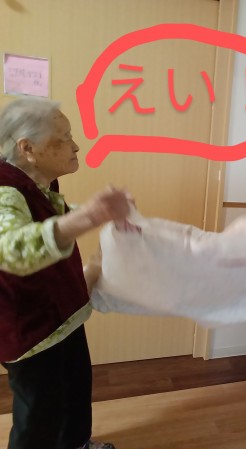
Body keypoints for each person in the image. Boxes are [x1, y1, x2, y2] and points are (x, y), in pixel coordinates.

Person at [0, 97, 134, 449]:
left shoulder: (39, 185)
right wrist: (89, 216)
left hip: (62, 318)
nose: (75, 146)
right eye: (64, 137)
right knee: (39, 417)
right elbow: (11, 250)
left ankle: (77, 444)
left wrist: (100, 214)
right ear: (28, 148)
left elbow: (46, 220)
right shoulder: (4, 190)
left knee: (75, 393)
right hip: (31, 332)